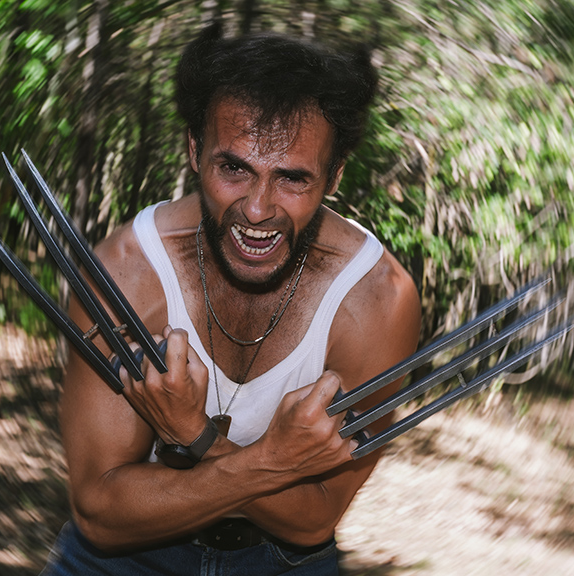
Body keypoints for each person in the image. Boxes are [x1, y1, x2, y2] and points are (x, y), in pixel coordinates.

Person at [41, 24, 421, 576]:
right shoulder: (126, 274)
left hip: (284, 560)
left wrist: (195, 435)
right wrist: (272, 464)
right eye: (235, 168)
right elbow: (101, 512)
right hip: (126, 555)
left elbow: (314, 519)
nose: (259, 209)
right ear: (196, 151)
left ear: (334, 175)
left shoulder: (376, 301)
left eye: (292, 178)